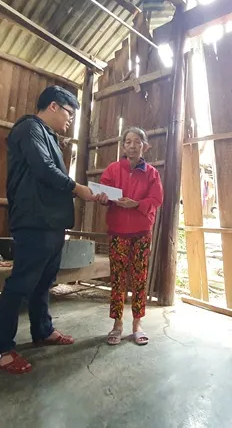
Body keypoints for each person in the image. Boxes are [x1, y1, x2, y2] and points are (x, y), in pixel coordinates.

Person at [0, 85, 103, 374]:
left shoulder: (48, 135)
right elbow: (43, 168)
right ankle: (2, 347)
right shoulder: (29, 128)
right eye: (68, 113)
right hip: (34, 220)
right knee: (21, 283)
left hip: (51, 222)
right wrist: (77, 187)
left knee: (44, 281)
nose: (70, 120)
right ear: (53, 106)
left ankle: (42, 330)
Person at [96, 127, 163, 346]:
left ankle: (137, 324)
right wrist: (103, 198)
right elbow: (103, 193)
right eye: (128, 142)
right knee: (117, 278)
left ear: (145, 146)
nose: (132, 146)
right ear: (123, 147)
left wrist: (137, 204)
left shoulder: (152, 173)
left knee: (139, 278)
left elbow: (156, 199)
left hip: (141, 233)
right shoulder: (113, 170)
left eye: (137, 142)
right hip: (118, 232)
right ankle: (117, 324)